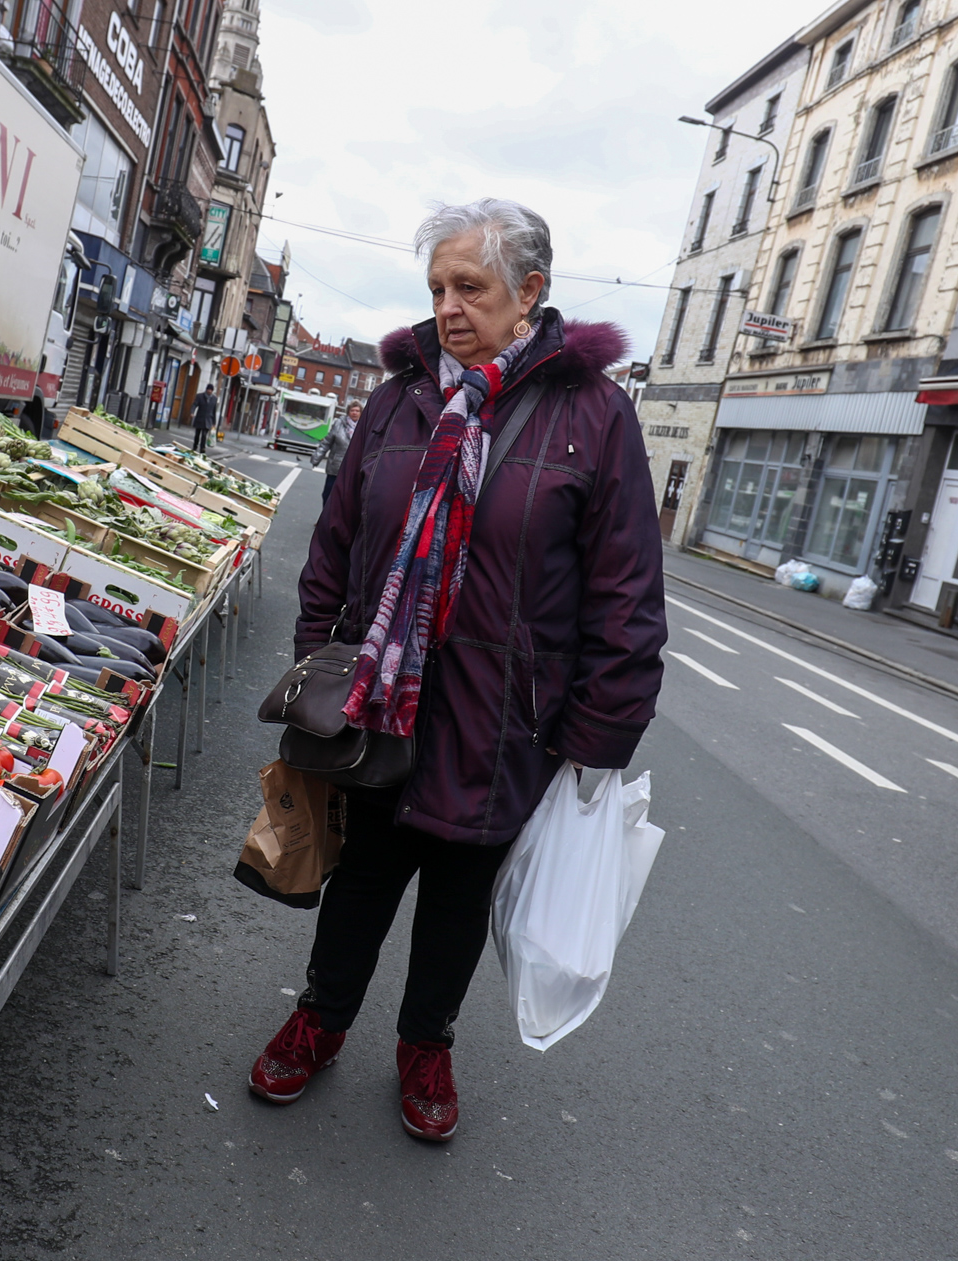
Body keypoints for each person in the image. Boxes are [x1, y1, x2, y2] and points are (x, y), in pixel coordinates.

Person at [249, 198, 665, 1141]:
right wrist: (324, 659)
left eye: (469, 286)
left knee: (456, 899)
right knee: (362, 879)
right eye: (437, 286)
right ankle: (319, 1018)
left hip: (504, 721)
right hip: (382, 707)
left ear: (531, 293)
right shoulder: (401, 396)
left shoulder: (592, 416)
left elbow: (627, 597)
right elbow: (336, 541)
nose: (447, 304)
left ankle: (425, 1044)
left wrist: (594, 740)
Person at [310, 402, 359, 501]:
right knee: (328, 495)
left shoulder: (364, 427)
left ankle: (337, 516)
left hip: (353, 469)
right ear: (348, 412)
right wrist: (316, 458)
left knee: (345, 498)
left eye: (357, 411)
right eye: (352, 410)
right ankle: (326, 515)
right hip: (336, 466)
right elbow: (327, 442)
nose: (355, 413)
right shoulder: (339, 424)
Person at [190, 384, 218, 452]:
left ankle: (202, 448)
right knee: (197, 434)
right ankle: (195, 446)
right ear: (206, 389)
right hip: (200, 418)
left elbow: (214, 410)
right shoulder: (200, 396)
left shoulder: (214, 399)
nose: (209, 391)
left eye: (211, 390)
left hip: (208, 420)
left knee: (204, 435)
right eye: (208, 389)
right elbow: (195, 404)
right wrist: (192, 412)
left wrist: (214, 422)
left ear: (212, 391)